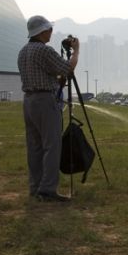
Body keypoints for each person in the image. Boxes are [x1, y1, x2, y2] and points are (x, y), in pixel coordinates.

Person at [17, 15, 80, 202]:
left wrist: (55, 81)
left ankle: (35, 187)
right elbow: (68, 68)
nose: (51, 33)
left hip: (29, 101)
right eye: (49, 30)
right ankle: (48, 189)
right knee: (52, 146)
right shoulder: (44, 51)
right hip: (45, 101)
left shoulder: (23, 51)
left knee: (34, 147)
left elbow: (44, 73)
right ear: (42, 32)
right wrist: (76, 50)